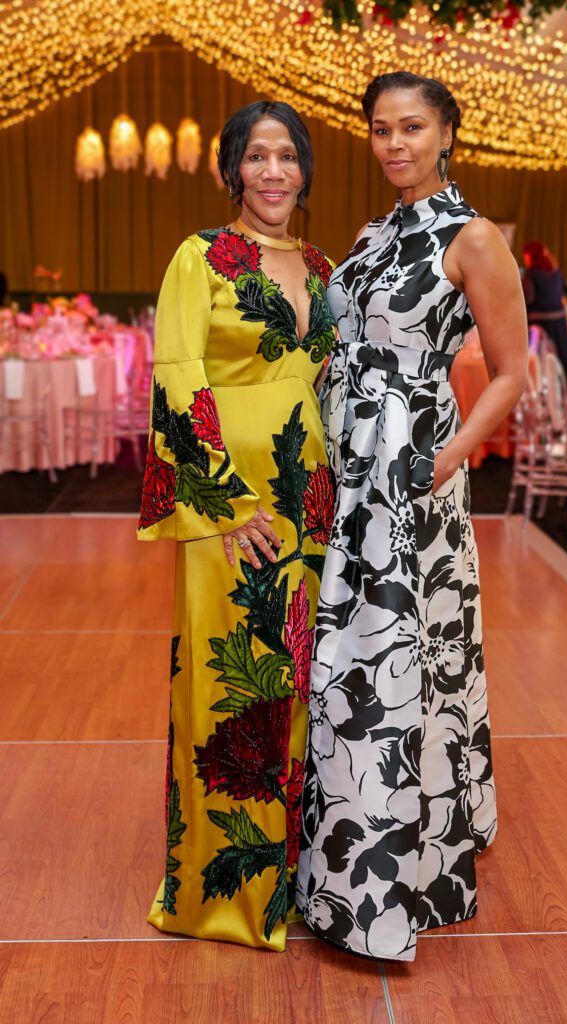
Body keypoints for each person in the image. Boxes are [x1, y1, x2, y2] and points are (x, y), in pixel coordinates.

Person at [296, 71, 528, 961]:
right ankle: (343, 846)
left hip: (410, 468)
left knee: (398, 649)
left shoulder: (473, 237)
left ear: (446, 133)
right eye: (382, 130)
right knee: (351, 646)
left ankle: (398, 874)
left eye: (412, 128)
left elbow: (509, 371)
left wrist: (449, 453)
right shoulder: (371, 232)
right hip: (348, 458)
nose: (395, 144)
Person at [137, 100, 336, 951]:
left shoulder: (323, 265)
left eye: (286, 156)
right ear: (231, 170)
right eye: (256, 157)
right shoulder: (201, 259)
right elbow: (178, 377)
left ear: (304, 169)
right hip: (234, 508)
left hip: (311, 502)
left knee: (304, 685)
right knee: (234, 694)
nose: (273, 172)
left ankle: (295, 881)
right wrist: (222, 508)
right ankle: (223, 896)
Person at [522, 240, 567, 374]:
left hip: (540, 326)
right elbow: (562, 294)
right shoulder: (556, 272)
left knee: (540, 365)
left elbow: (528, 298)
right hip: (560, 323)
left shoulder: (531, 274)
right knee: (560, 361)